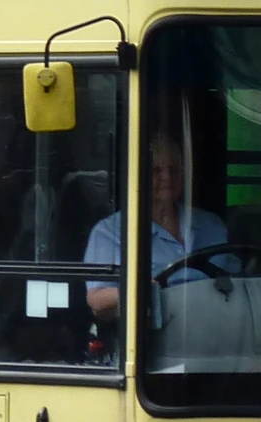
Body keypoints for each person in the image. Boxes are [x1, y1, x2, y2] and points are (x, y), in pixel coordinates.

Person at [84, 132, 230, 323]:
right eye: (156, 171)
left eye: (173, 169)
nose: (167, 177)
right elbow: (97, 301)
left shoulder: (212, 224)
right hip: (153, 339)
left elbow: (238, 282)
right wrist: (145, 289)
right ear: (138, 175)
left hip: (219, 330)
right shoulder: (110, 232)